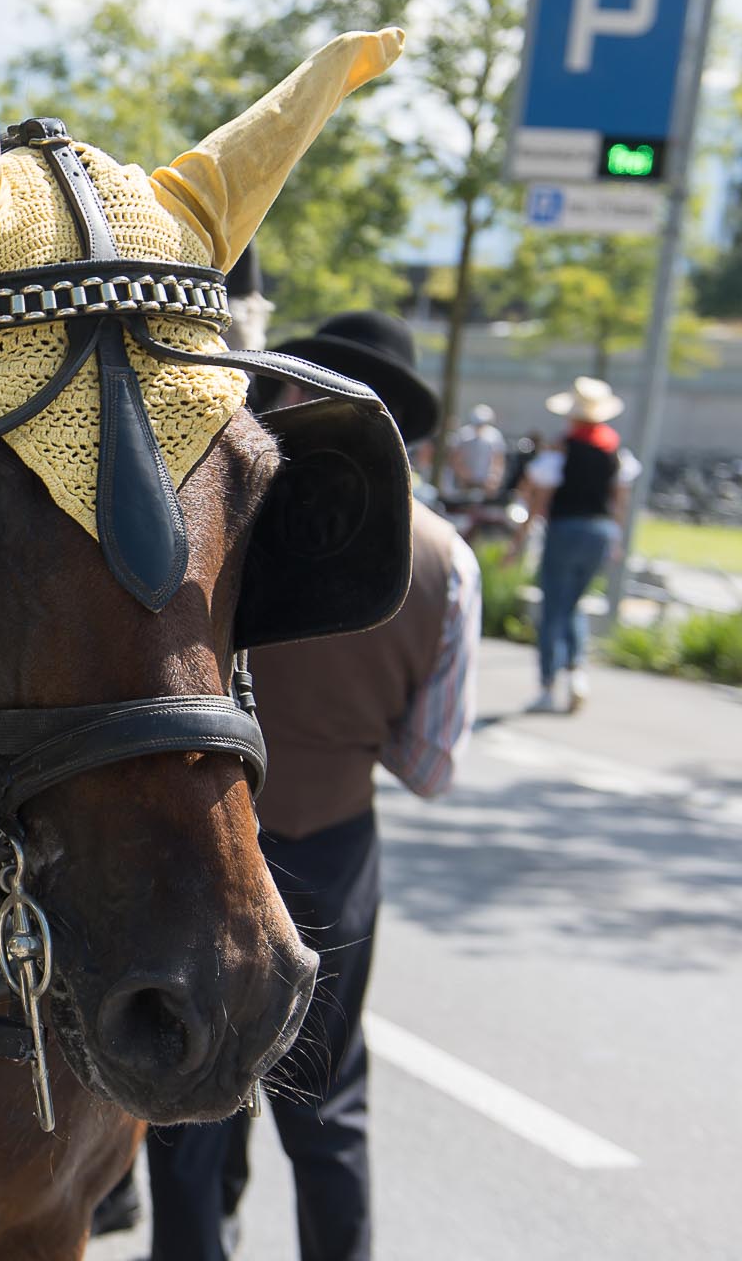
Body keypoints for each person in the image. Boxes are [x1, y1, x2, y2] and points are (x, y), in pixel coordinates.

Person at [144, 310, 479, 1261]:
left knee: (187, 1093)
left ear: (285, 396)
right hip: (336, 846)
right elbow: (431, 764)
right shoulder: (445, 559)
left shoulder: (211, 517)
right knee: (329, 1102)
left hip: (201, 836)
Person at [515, 376, 640, 713]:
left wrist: (520, 540)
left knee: (554, 607)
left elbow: (539, 498)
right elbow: (619, 502)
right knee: (574, 604)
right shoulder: (614, 451)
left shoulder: (562, 449)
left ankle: (547, 683)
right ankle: (577, 672)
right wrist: (615, 538)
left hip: (566, 529)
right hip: (599, 533)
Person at [444, 402, 508, 499]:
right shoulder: (463, 435)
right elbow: (455, 459)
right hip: (464, 485)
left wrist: (493, 480)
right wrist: (466, 478)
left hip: (486, 486)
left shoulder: (495, 436)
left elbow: (498, 460)